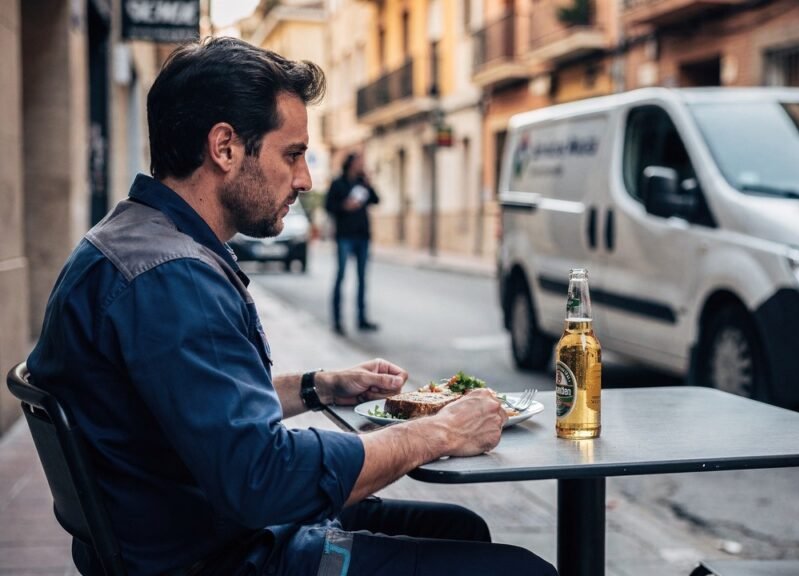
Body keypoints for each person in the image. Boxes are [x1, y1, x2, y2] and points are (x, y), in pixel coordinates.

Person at [26, 37, 556, 576]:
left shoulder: (134, 241)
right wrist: (437, 433)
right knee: (524, 570)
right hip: (226, 557)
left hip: (194, 529)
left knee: (460, 529)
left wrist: (316, 386)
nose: (305, 179)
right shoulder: (170, 278)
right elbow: (262, 479)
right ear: (225, 147)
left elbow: (200, 408)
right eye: (293, 154)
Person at [326, 152, 379, 335]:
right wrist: (344, 206)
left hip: (362, 236)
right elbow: (329, 206)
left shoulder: (361, 183)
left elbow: (376, 200)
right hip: (344, 236)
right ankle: (337, 321)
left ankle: (362, 318)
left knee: (362, 279)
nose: (361, 165)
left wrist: (368, 183)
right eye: (358, 162)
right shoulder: (338, 183)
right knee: (341, 276)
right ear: (350, 163)